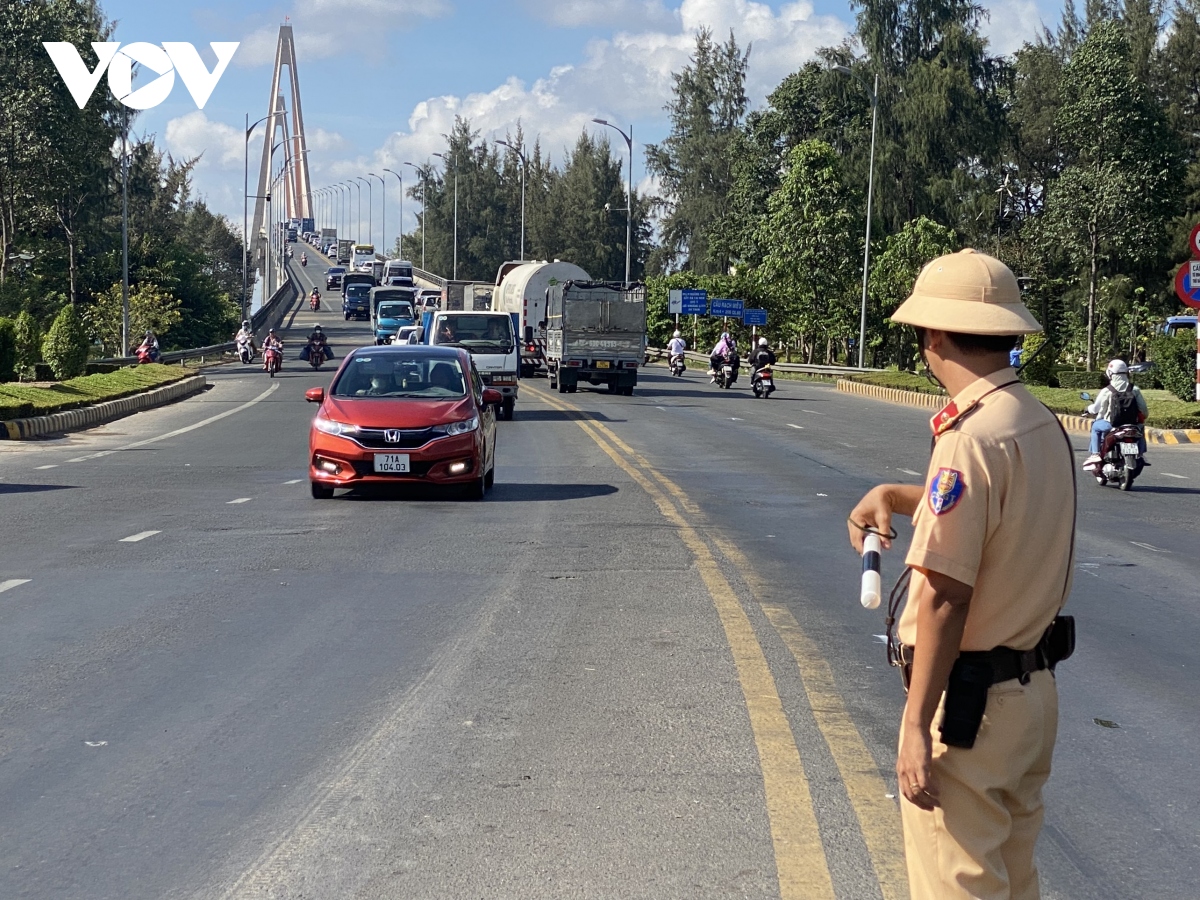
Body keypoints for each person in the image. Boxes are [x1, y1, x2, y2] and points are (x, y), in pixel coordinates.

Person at [847, 249, 1076, 900]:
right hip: (1031, 698)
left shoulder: (970, 437)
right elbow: (995, 514)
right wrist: (896, 494)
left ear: (934, 335)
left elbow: (946, 594)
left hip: (972, 711)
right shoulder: (1037, 423)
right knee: (1013, 881)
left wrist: (916, 727)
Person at [1082, 358, 1148, 468]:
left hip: (1111, 424)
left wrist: (1088, 409)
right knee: (1140, 428)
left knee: (1095, 427)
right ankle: (1140, 454)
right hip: (1132, 424)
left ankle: (1095, 454)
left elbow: (1096, 409)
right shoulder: (1134, 389)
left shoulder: (1107, 390)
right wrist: (1142, 417)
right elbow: (1144, 410)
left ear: (1110, 373)